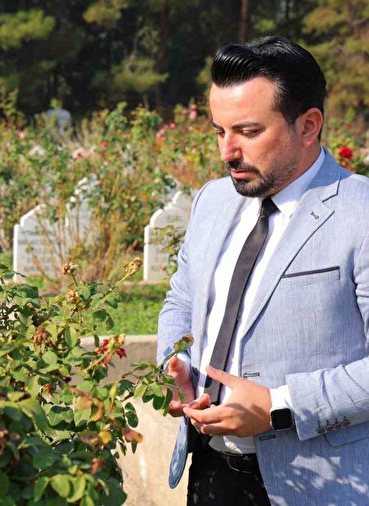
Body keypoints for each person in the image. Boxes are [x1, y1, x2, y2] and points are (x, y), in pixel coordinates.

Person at [157, 36, 369, 504]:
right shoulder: (212, 200)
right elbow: (182, 301)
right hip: (209, 471)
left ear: (309, 125)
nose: (228, 152)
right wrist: (175, 365)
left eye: (249, 132)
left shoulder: (362, 213)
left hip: (325, 485)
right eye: (219, 131)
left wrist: (278, 407)